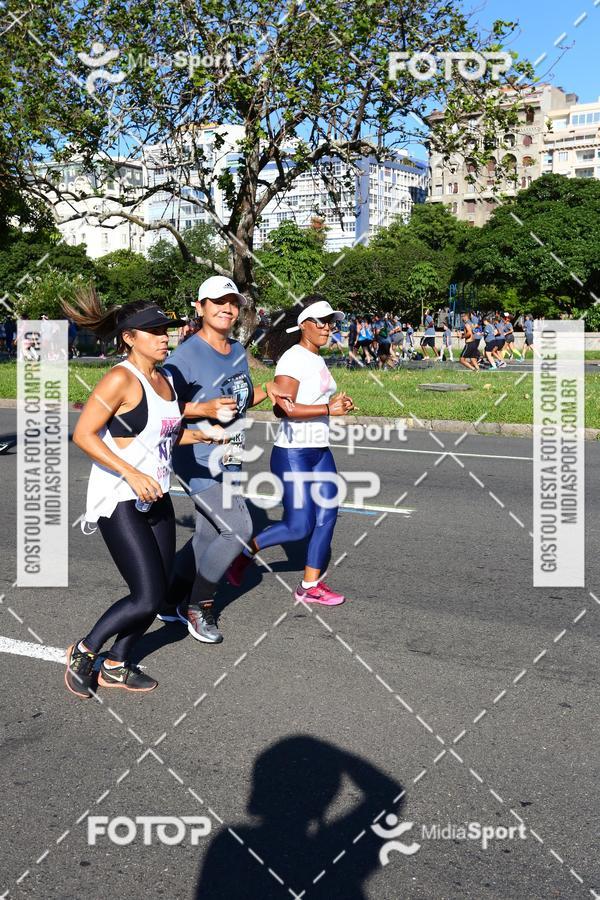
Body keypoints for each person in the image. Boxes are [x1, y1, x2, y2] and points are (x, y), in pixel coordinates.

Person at [61, 288, 218, 698]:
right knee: (147, 595)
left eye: (164, 329)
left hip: (157, 496)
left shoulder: (164, 380)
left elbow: (167, 434)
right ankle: (84, 649)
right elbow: (83, 434)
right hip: (119, 497)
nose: (163, 337)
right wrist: (129, 472)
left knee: (159, 589)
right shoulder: (118, 378)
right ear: (130, 337)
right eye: (153, 331)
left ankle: (117, 663)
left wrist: (208, 435)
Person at [160, 275, 293, 644]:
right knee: (237, 528)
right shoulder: (183, 357)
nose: (227, 308)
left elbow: (239, 397)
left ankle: (168, 599)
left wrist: (269, 390)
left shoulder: (235, 350)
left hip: (230, 452)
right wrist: (201, 409)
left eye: (233, 302)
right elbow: (162, 409)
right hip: (197, 455)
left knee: (207, 533)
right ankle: (198, 606)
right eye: (217, 301)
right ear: (200, 307)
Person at [226, 297, 354, 606]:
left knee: (328, 515)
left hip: (319, 449)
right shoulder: (293, 359)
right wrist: (328, 408)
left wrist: (337, 404)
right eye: (321, 322)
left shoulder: (316, 358)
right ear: (304, 325)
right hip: (293, 453)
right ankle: (246, 551)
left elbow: (314, 399)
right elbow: (283, 409)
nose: (328, 327)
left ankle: (310, 586)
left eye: (331, 322)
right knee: (299, 526)